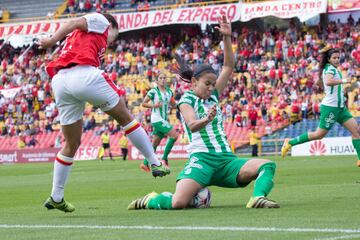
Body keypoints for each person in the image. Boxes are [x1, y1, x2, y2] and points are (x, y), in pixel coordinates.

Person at [128, 15, 279, 211]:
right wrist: (207, 118)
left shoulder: (213, 96)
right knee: (178, 203)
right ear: (194, 82)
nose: (211, 88)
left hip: (226, 161)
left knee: (267, 165)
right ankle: (151, 200)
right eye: (207, 84)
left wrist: (226, 37)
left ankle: (257, 198)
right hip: (202, 160)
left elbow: (228, 66)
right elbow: (191, 124)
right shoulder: (186, 100)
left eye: (213, 84)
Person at [38, 12, 170, 213]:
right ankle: (154, 162)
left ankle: (56, 197)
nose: (111, 39)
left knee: (71, 143)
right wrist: (51, 40)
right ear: (112, 25)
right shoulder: (101, 20)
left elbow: (74, 30)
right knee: (125, 117)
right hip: (83, 74)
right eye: (114, 35)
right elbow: (73, 21)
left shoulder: (80, 37)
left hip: (60, 81)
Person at [281, 47, 360, 167]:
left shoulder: (333, 69)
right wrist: (344, 80)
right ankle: (290, 142)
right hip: (331, 108)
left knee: (356, 131)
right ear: (328, 59)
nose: (337, 60)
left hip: (340, 108)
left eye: (338, 57)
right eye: (334, 58)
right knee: (319, 134)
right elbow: (328, 81)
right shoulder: (329, 69)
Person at [139, 71, 178, 172]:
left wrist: (182, 105)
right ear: (157, 80)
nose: (162, 79)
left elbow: (174, 105)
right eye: (160, 78)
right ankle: (164, 159)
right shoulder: (153, 91)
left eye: (164, 78)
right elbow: (143, 103)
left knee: (155, 143)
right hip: (156, 119)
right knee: (174, 135)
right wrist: (153, 105)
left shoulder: (169, 92)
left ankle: (145, 163)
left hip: (163, 119)